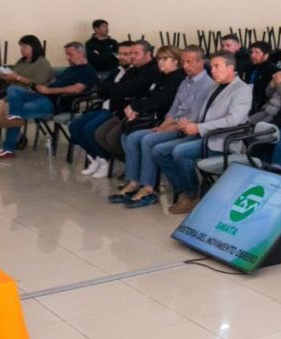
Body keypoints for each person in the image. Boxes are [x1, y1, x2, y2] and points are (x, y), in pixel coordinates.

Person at [112, 47, 214, 208]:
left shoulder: (207, 84)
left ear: (201, 62)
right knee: (132, 137)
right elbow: (174, 109)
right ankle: (133, 182)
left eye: (189, 62)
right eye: (184, 62)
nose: (185, 66)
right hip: (172, 124)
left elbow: (193, 117)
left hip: (185, 129)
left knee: (148, 140)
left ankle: (148, 188)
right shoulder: (185, 81)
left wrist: (165, 129)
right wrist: (162, 126)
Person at [153, 53, 251, 214]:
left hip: (221, 140)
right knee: (159, 151)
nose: (212, 70)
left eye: (216, 66)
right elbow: (203, 112)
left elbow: (233, 120)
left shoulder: (242, 90)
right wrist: (190, 124)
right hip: (203, 134)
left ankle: (191, 196)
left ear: (231, 68)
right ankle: (183, 189)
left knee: (180, 152)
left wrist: (199, 128)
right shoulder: (214, 86)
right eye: (211, 66)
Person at [0, 43, 98, 161]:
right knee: (12, 89)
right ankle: (15, 118)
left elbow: (77, 89)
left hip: (54, 103)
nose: (67, 58)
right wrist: (44, 86)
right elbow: (57, 82)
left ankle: (8, 149)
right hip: (42, 95)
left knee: (15, 110)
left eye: (70, 54)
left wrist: (49, 90)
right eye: (66, 54)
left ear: (80, 54)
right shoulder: (71, 69)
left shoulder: (87, 71)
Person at [107, 46, 187, 205]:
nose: (161, 63)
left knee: (143, 139)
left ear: (176, 61)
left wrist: (136, 107)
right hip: (156, 119)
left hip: (171, 123)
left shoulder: (177, 78)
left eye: (165, 59)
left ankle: (149, 188)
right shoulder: (162, 76)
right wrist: (136, 107)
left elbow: (160, 101)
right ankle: (134, 181)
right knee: (128, 137)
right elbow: (149, 97)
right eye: (159, 59)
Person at [81, 40, 160, 173]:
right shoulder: (133, 69)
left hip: (141, 115)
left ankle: (134, 167)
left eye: (136, 53)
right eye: (131, 53)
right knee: (100, 134)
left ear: (148, 54)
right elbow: (108, 88)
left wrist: (118, 89)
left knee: (111, 138)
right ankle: (128, 164)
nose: (133, 56)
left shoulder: (152, 70)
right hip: (121, 111)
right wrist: (118, 89)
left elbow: (130, 89)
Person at [67, 40, 133, 175]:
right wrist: (112, 89)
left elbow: (121, 91)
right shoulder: (117, 70)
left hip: (115, 109)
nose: (122, 57)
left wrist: (112, 90)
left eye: (127, 54)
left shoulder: (134, 72)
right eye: (120, 54)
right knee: (74, 126)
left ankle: (105, 159)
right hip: (104, 105)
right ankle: (96, 157)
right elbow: (101, 89)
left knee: (89, 128)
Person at [0, 35, 54, 118]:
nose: (21, 49)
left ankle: (13, 117)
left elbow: (38, 84)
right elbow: (13, 78)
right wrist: (4, 76)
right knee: (3, 101)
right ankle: (13, 117)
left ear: (34, 47)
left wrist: (17, 77)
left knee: (11, 93)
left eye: (25, 46)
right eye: (20, 46)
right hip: (14, 93)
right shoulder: (21, 61)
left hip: (31, 93)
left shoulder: (42, 63)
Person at [244, 41, 277, 112]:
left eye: (256, 52)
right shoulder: (250, 68)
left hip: (260, 105)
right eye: (251, 52)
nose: (252, 55)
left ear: (266, 55)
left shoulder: (273, 71)